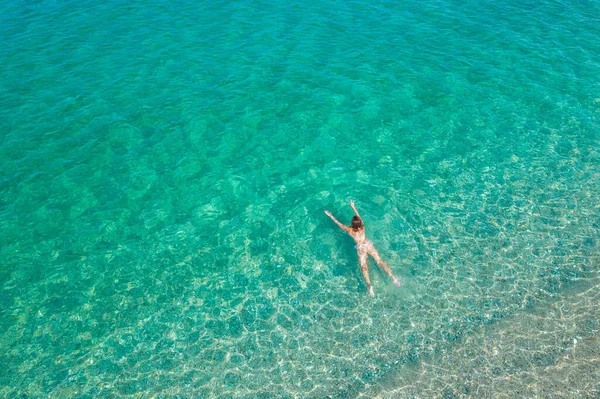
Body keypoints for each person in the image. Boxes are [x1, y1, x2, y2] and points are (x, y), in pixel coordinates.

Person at [325, 200, 401, 297]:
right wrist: (353, 207)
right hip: (368, 244)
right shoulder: (362, 226)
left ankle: (370, 286)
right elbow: (358, 216)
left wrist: (331, 216)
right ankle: (394, 278)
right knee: (379, 261)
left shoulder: (349, 230)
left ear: (352, 224)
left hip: (361, 248)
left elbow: (338, 223)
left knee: (364, 268)